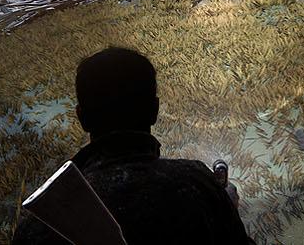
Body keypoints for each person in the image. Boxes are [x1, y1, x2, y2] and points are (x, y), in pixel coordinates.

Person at [13, 47, 253, 244]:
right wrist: (225, 206)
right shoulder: (196, 183)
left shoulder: (38, 224)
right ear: (154, 111)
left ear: (82, 118)